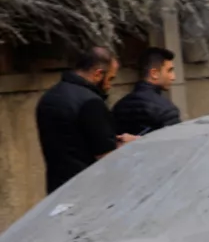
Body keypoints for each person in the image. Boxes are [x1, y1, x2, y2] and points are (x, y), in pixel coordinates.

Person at [36, 47, 138, 193]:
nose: (109, 86)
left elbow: (72, 140)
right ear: (98, 74)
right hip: (87, 189)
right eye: (110, 78)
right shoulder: (91, 102)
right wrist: (129, 144)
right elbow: (106, 155)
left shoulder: (49, 97)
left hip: (57, 189)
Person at [112, 47, 181, 136]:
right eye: (169, 70)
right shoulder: (166, 110)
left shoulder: (119, 106)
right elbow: (175, 143)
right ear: (154, 73)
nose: (173, 77)